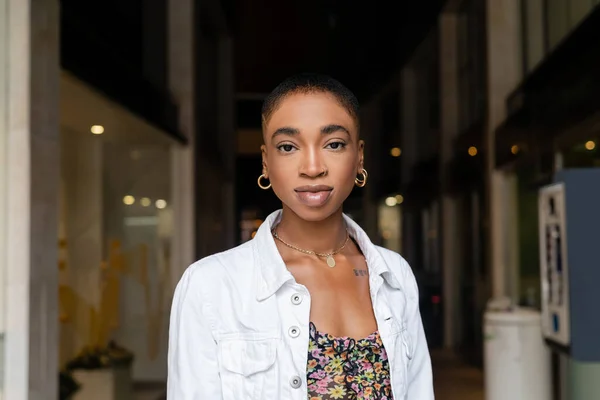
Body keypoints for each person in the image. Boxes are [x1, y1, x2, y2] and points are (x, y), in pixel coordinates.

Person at [167, 73, 434, 399]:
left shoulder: (394, 275)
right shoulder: (210, 285)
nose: (312, 167)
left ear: (359, 156)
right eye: (288, 147)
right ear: (266, 162)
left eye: (334, 144)